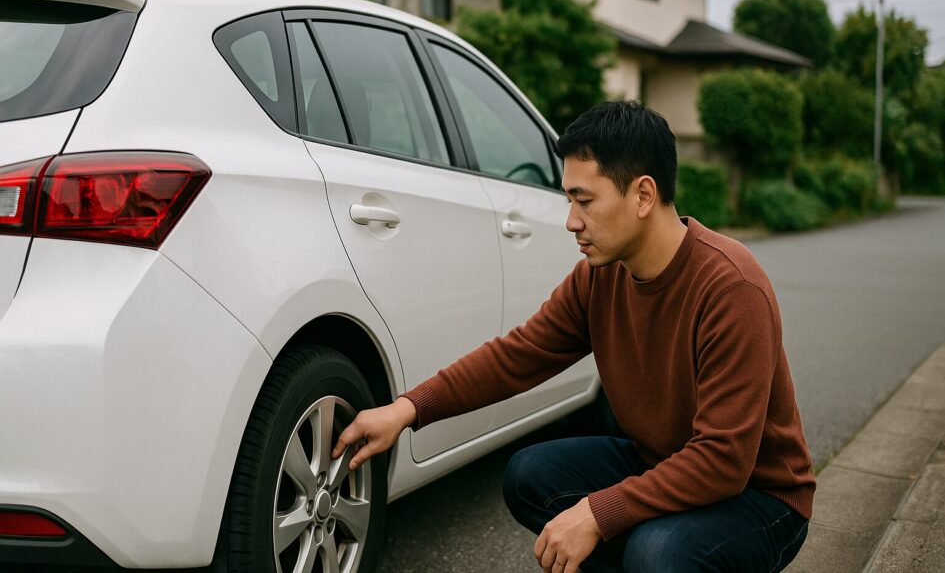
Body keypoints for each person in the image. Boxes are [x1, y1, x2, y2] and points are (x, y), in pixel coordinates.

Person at [331, 100, 816, 572]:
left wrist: (598, 514)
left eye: (584, 201)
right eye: (568, 200)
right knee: (529, 476)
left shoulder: (731, 287)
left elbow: (723, 461)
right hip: (662, 461)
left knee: (657, 553)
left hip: (760, 496)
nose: (571, 221)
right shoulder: (600, 277)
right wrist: (407, 409)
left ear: (643, 196)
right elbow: (517, 356)